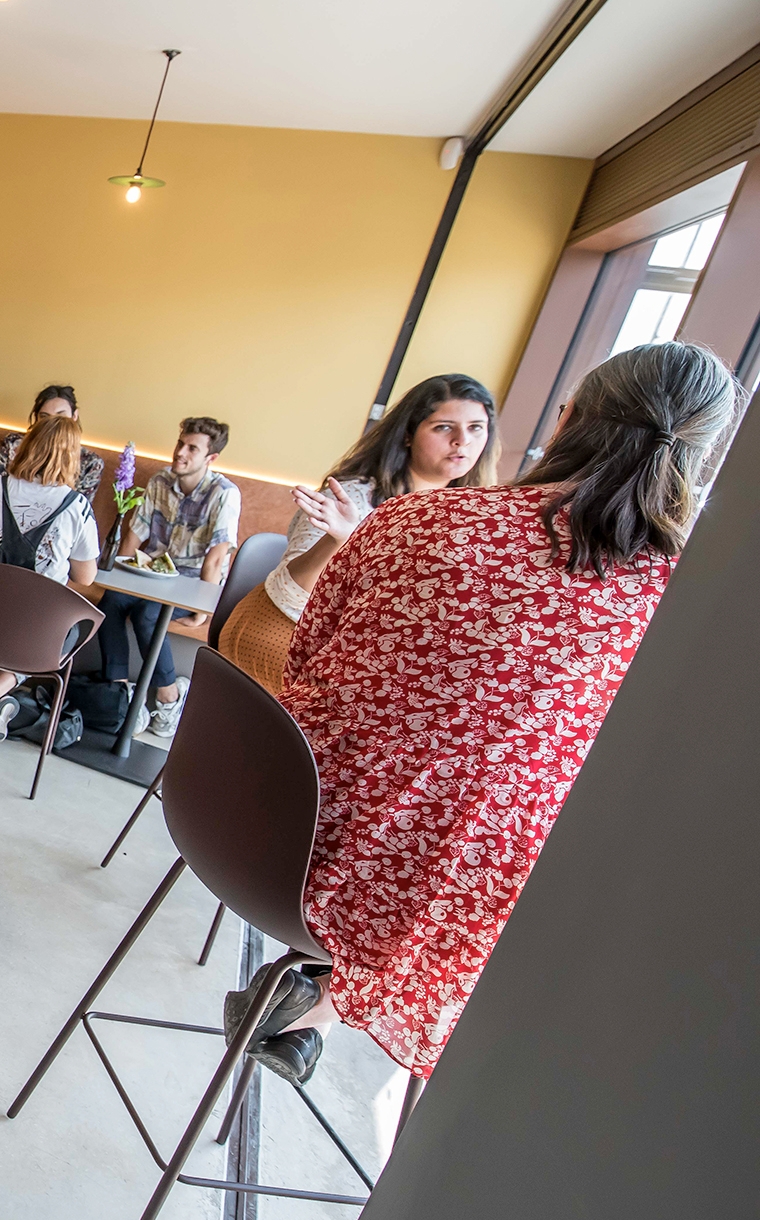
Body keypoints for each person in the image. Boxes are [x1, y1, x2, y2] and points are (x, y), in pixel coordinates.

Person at [223, 342, 740, 1086]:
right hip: (435, 910)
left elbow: (304, 660)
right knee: (520, 858)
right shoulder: (676, 605)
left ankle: (309, 1000)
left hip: (265, 821)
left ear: (565, 421)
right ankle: (317, 1008)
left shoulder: (410, 521)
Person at [218, 375, 498, 692]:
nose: (462, 440)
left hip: (363, 654)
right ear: (408, 434)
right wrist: (344, 542)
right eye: (443, 427)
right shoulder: (352, 498)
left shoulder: (467, 517)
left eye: (476, 427)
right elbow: (291, 594)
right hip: (284, 631)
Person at [0, 414, 102, 743]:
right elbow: (86, 576)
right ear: (72, 457)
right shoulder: (76, 505)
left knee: (6, 629)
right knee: (64, 630)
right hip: (33, 628)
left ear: (27, 446)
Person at [96, 417, 239, 738]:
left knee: (148, 614)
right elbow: (136, 533)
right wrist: (117, 576)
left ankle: (169, 696)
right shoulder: (160, 481)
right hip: (151, 572)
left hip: (191, 583)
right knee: (111, 603)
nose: (180, 453)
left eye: (192, 448)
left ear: (211, 458)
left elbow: (217, 557)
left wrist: (202, 610)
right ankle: (121, 694)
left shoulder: (224, 494)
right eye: (180, 443)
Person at [0, 385, 104, 498]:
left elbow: (79, 510)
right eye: (45, 417)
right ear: (37, 419)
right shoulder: (12, 444)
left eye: (60, 416)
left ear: (74, 416)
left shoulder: (91, 463)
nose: (52, 424)